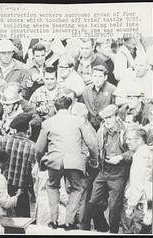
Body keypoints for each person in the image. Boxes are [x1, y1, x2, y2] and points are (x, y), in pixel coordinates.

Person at [35, 96, 98, 230]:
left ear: (55, 108)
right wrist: (94, 160)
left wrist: (40, 162)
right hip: (74, 162)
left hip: (54, 161)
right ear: (70, 107)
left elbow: (39, 148)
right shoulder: (79, 121)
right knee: (76, 189)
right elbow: (92, 144)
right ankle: (69, 221)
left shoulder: (48, 122)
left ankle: (53, 220)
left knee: (52, 186)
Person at [80, 104, 133, 233]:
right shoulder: (102, 130)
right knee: (92, 202)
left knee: (114, 207)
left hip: (119, 174)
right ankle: (85, 231)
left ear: (116, 117)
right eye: (105, 118)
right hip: (104, 171)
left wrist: (120, 157)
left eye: (109, 117)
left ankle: (113, 232)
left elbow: (133, 152)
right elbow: (96, 148)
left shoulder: (125, 131)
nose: (107, 121)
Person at [0, 113, 36, 217]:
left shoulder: (4, 140)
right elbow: (33, 172)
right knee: (23, 220)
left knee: (4, 218)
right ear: (28, 128)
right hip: (21, 189)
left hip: (3, 186)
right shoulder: (32, 146)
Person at [120, 128, 153, 234]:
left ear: (139, 140)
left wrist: (130, 206)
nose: (126, 142)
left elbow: (137, 184)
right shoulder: (148, 152)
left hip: (141, 205)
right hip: (148, 203)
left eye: (129, 139)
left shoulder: (140, 156)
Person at [0, 150, 23, 216]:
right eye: (6, 164)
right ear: (0, 164)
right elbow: (6, 203)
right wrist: (17, 195)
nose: (7, 167)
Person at [82, 64, 116, 131]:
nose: (97, 79)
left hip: (106, 124)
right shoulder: (86, 90)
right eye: (95, 76)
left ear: (105, 77)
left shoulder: (112, 90)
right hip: (90, 126)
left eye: (100, 76)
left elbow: (115, 108)